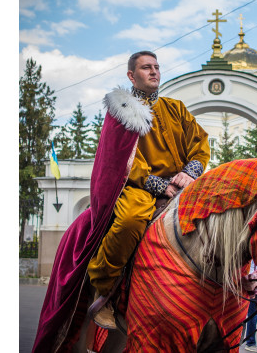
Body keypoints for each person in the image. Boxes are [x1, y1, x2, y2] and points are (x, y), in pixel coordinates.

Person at [86, 50, 211, 329]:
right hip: (139, 187)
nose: (154, 71)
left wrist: (189, 173)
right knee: (130, 222)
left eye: (156, 67)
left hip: (181, 184)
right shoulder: (122, 113)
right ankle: (104, 291)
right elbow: (123, 160)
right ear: (132, 75)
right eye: (146, 68)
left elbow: (200, 145)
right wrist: (158, 184)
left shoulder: (175, 108)